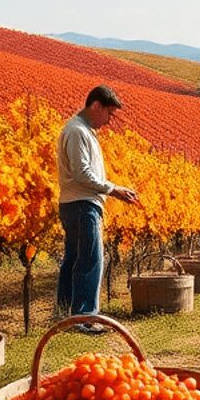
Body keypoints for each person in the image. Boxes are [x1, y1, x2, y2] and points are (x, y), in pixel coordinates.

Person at [57, 85, 143, 331]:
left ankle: (65, 316)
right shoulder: (77, 131)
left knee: (74, 259)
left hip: (76, 204)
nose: (109, 121)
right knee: (90, 260)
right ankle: (84, 318)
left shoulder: (83, 131)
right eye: (109, 114)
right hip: (83, 204)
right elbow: (82, 174)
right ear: (96, 106)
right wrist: (113, 189)